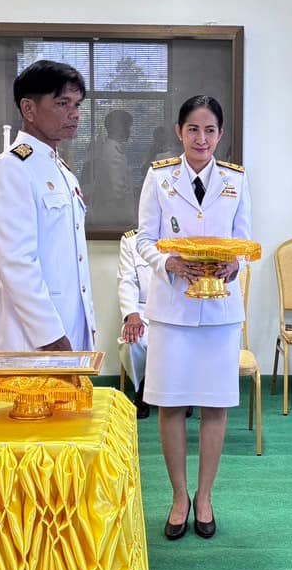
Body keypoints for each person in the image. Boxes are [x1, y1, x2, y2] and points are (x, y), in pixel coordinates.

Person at [135, 95, 251, 540]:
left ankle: (205, 496)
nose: (201, 138)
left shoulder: (237, 181)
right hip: (172, 308)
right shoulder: (160, 177)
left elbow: (243, 239)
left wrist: (234, 264)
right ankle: (179, 496)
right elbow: (145, 237)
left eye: (209, 130)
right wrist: (168, 264)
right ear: (180, 132)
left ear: (220, 135)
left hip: (219, 310)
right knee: (170, 404)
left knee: (215, 404)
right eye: (193, 130)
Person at [0, 59, 96, 354]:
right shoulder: (13, 167)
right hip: (30, 339)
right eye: (62, 103)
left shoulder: (60, 169)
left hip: (68, 322)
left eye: (77, 104)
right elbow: (17, 262)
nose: (74, 114)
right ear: (29, 109)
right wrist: (52, 337)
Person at [118, 227, 152, 418]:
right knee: (133, 340)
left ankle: (183, 394)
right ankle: (142, 390)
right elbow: (126, 280)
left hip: (176, 311)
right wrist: (131, 314)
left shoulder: (184, 236)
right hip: (142, 309)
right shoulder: (132, 240)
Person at [84, 108, 134, 221]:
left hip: (112, 215)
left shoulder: (111, 149)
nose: (129, 131)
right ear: (119, 128)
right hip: (114, 217)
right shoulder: (112, 152)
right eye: (128, 127)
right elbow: (117, 192)